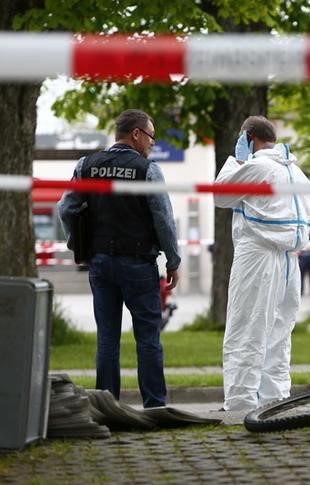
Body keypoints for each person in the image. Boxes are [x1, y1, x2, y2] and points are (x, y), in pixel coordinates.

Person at [57, 109, 180, 408]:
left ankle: (107, 406)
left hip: (101, 264)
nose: (152, 143)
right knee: (148, 337)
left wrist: (80, 245)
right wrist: (173, 260)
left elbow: (65, 208)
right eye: (150, 136)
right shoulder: (147, 170)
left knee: (107, 338)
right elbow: (163, 218)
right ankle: (154, 406)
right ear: (136, 134)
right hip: (138, 263)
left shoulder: (86, 165)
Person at [214, 115, 310, 413]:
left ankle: (240, 403)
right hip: (288, 261)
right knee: (278, 335)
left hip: (257, 256)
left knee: (246, 329)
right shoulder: (297, 172)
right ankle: (274, 399)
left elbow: (220, 194)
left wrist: (235, 160)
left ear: (248, 138)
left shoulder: (257, 167)